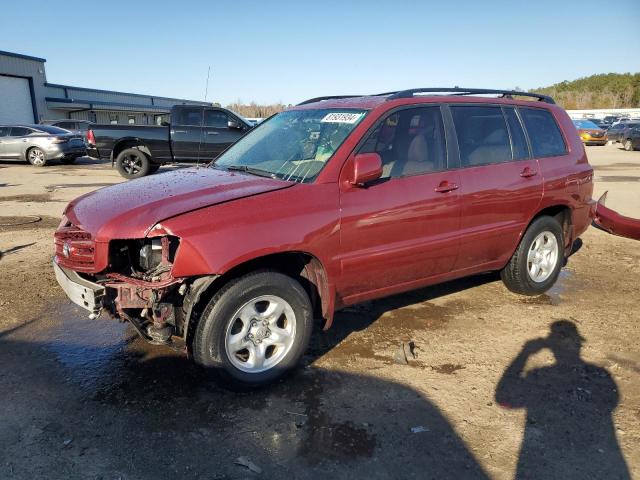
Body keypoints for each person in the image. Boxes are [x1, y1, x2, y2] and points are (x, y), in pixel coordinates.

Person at [495, 320, 630, 479]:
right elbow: (611, 402)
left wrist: (525, 353)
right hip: (596, 457)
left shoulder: (539, 375)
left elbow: (503, 399)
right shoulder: (600, 374)